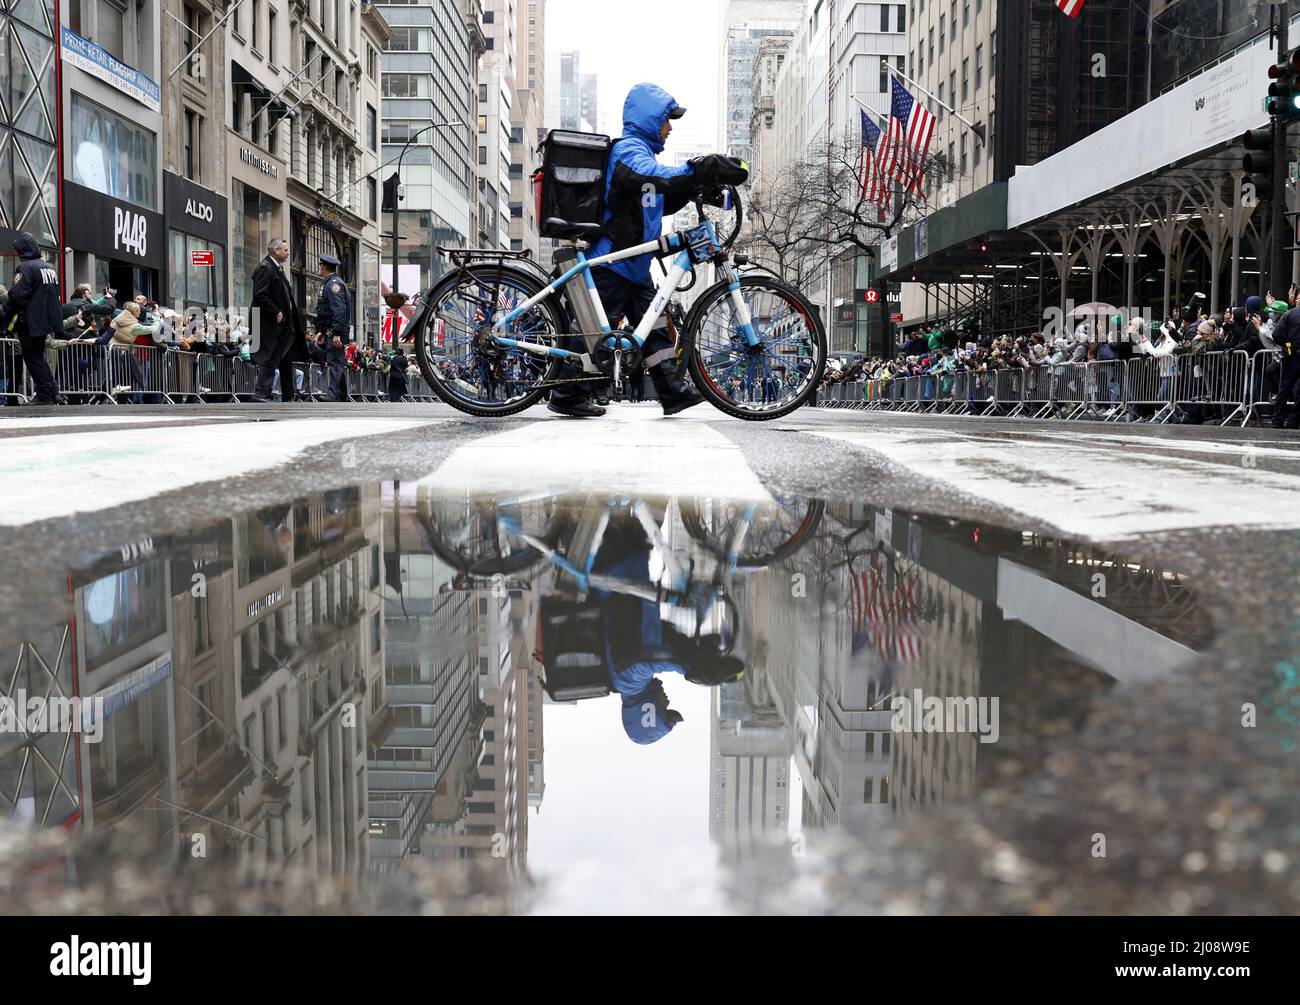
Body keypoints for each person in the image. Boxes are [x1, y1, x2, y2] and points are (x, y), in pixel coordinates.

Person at [547, 82, 747, 418]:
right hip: (613, 262)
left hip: (633, 265)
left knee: (654, 327)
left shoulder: (641, 154)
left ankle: (672, 390)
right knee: (593, 333)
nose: (669, 129)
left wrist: (698, 187)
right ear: (651, 119)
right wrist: (698, 168)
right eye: (667, 121)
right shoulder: (629, 152)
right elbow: (651, 178)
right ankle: (566, 393)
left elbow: (660, 199)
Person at [0, 233, 66, 404]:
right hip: (47, 320)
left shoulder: (25, 267)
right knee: (38, 356)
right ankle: (52, 392)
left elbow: (17, 295)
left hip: (31, 320)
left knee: (32, 357)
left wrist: (10, 311)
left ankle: (45, 394)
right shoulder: (49, 267)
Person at [250, 238, 307, 402]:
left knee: (285, 358)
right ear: (276, 250)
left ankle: (289, 395)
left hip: (283, 325)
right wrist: (276, 311)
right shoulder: (265, 267)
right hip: (270, 323)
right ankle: (261, 393)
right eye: (286, 250)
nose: (288, 253)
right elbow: (260, 294)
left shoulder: (276, 268)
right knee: (270, 355)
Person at [314, 253, 352, 402]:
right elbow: (326, 312)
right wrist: (322, 331)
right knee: (337, 361)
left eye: (320, 265)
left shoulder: (333, 284)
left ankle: (333, 394)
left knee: (335, 362)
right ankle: (341, 394)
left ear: (323, 266)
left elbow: (338, 310)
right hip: (331, 330)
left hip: (336, 331)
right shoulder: (331, 282)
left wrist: (336, 333)